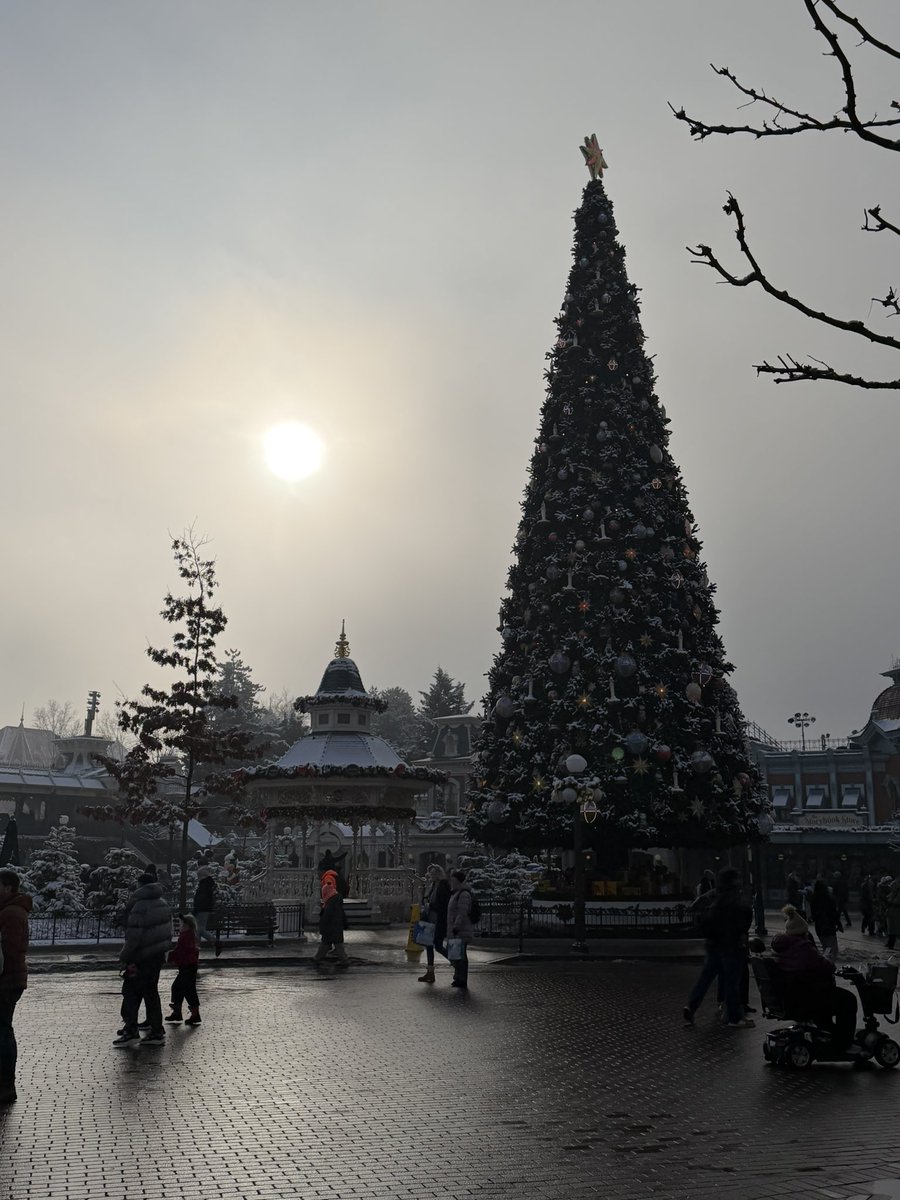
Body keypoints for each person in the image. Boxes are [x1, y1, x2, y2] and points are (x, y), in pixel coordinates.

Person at [771, 905, 858, 1052]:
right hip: (807, 997)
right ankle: (844, 1041)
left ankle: (832, 1033)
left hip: (793, 995)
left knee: (828, 1004)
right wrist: (827, 959)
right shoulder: (803, 948)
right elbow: (827, 967)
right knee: (848, 1000)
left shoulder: (781, 947)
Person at [683, 867, 754, 1028]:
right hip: (731, 946)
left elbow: (700, 914)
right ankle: (734, 1018)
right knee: (731, 983)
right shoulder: (734, 900)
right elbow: (743, 918)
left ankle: (691, 1006)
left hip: (713, 945)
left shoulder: (714, 898)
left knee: (705, 979)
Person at [114, 872, 173, 1047]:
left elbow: (134, 935)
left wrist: (125, 956)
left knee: (131, 993)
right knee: (151, 994)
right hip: (156, 956)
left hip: (140, 956)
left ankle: (131, 1030)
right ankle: (156, 1030)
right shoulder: (163, 904)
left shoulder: (139, 906)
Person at [0, 870, 32, 1103]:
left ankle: (5, 1084)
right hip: (9, 978)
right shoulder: (10, 910)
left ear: (8, 887)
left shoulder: (11, 913)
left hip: (6, 980)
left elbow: (9, 951)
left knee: (3, 1031)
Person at [166, 913, 201, 1026]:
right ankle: (179, 1011)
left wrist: (169, 956)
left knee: (187, 989)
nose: (181, 926)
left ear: (187, 925)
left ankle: (192, 1014)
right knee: (179, 987)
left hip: (188, 966)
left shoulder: (186, 936)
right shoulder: (189, 935)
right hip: (188, 966)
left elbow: (180, 951)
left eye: (182, 924)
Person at [418, 863, 451, 985]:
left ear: (438, 874)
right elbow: (426, 899)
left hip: (438, 920)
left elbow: (443, 905)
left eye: (433, 873)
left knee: (437, 945)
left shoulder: (443, 886)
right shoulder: (432, 885)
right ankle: (430, 972)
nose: (431, 875)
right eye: (430, 873)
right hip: (429, 919)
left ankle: (456, 963)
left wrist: (430, 905)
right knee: (429, 946)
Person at [446, 870, 477, 990]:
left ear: (459, 881)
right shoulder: (455, 893)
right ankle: (458, 977)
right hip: (455, 929)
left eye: (454, 880)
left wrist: (456, 926)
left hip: (461, 929)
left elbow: (461, 912)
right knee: (457, 955)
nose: (452, 883)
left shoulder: (463, 894)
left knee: (462, 955)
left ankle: (462, 978)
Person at [314, 870, 349, 969]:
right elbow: (342, 914)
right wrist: (345, 923)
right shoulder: (335, 901)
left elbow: (326, 917)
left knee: (332, 944)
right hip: (336, 927)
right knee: (330, 944)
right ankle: (318, 958)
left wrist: (322, 928)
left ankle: (343, 961)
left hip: (331, 928)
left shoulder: (330, 903)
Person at [809, 876, 841, 962]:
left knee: (826, 947)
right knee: (831, 949)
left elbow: (813, 915)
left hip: (819, 927)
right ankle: (827, 964)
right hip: (829, 926)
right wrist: (838, 924)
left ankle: (825, 962)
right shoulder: (829, 899)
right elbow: (833, 913)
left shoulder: (813, 899)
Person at [192, 866, 217, 944]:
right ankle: (196, 947)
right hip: (204, 909)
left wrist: (196, 909)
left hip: (202, 909)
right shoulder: (207, 885)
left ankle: (215, 942)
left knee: (199, 929)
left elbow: (201, 899)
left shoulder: (204, 885)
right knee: (198, 929)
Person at [884, 875, 900, 950]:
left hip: (895, 912)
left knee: (893, 928)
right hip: (892, 911)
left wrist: (890, 902)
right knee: (891, 928)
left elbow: (896, 901)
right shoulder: (893, 893)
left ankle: (891, 943)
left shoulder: (897, 893)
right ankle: (890, 942)